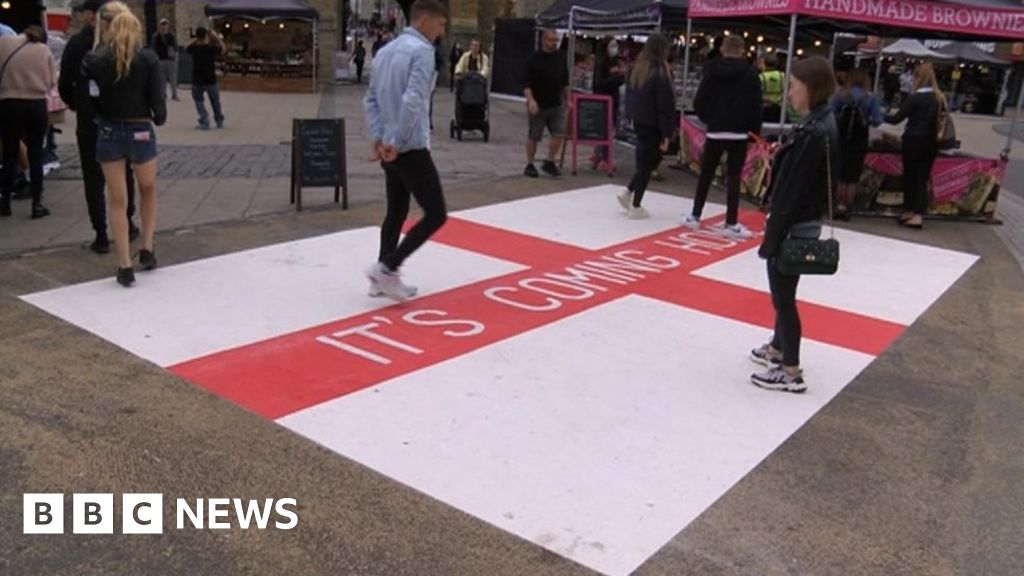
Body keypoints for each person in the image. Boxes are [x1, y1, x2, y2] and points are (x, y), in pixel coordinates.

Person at [751, 56, 839, 393]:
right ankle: (777, 348)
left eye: (793, 88)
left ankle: (790, 370)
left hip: (793, 224)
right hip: (804, 220)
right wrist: (783, 155)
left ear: (811, 88)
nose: (789, 94)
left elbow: (792, 193)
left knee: (783, 298)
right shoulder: (822, 123)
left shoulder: (816, 131)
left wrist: (771, 239)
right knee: (785, 293)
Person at [363, 0, 448, 301]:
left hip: (389, 146)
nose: (441, 32)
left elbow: (370, 99)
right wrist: (396, 143)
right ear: (424, 20)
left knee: (396, 211)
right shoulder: (422, 52)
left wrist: (379, 138)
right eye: (439, 24)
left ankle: (381, 278)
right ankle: (387, 268)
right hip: (407, 146)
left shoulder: (385, 51)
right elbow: (413, 100)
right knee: (436, 214)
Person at [83, 6, 165, 286]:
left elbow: (89, 98)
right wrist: (156, 115)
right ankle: (147, 246)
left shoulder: (94, 59)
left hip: (109, 128)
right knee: (147, 188)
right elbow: (159, 105)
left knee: (117, 199)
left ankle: (124, 264)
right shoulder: (148, 58)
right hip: (140, 127)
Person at [59, 0, 139, 253]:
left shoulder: (76, 45)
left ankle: (101, 234)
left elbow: (64, 84)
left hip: (89, 121)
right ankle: (127, 223)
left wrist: (77, 104)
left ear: (89, 16)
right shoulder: (121, 45)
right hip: (117, 118)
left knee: (93, 179)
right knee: (123, 174)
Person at [684, 35, 762, 239]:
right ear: (742, 50)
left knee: (706, 174)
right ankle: (731, 221)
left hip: (715, 129)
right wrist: (753, 134)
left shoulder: (712, 71)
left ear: (723, 49)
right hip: (739, 133)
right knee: (734, 178)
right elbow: (756, 106)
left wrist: (710, 119)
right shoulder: (751, 74)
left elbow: (699, 101)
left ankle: (695, 215)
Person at [0, 25, 56, 219]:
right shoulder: (44, 50)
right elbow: (51, 82)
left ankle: (5, 202)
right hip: (36, 105)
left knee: (9, 154)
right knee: (35, 155)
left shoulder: (4, 43)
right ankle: (37, 204)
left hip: (8, 104)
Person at [618, 34, 675, 220]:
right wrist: (667, 133)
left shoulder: (639, 69)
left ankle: (628, 192)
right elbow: (665, 105)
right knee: (647, 165)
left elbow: (630, 97)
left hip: (641, 122)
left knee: (646, 162)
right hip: (654, 125)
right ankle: (635, 204)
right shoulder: (660, 73)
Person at [884, 62, 944, 230]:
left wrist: (877, 115)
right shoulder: (939, 97)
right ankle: (917, 213)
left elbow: (896, 119)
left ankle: (911, 212)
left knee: (910, 177)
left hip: (913, 140)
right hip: (931, 142)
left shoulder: (915, 98)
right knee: (922, 178)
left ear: (918, 78)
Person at [830, 67, 883, 219]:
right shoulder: (870, 98)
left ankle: (837, 205)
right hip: (859, 139)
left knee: (840, 173)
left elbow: (832, 114)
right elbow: (878, 121)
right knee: (852, 176)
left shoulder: (840, 96)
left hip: (841, 138)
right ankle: (846, 207)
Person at [523, 29, 570, 178]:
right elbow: (526, 84)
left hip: (556, 103)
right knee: (534, 136)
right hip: (538, 104)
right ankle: (530, 164)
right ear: (544, 40)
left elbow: (565, 81)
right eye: (551, 40)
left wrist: (569, 100)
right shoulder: (533, 59)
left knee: (559, 133)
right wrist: (531, 100)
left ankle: (549, 161)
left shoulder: (561, 58)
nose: (554, 43)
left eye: (556, 40)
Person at [186, 26, 225, 130]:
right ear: (206, 36)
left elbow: (186, 46)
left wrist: (195, 38)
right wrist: (216, 37)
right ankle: (219, 120)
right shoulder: (210, 48)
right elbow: (223, 49)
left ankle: (204, 119)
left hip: (197, 79)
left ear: (197, 36)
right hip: (210, 79)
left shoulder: (194, 48)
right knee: (215, 101)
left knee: (198, 100)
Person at [151, 18, 178, 101]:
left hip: (170, 60)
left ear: (168, 26)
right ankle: (163, 94)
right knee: (162, 79)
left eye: (165, 24)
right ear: (160, 26)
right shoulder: (156, 36)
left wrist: (175, 57)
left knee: (173, 78)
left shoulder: (171, 36)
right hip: (160, 60)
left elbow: (176, 47)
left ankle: (174, 94)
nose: (164, 26)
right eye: (162, 25)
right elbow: (153, 48)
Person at [759, 53, 784, 123]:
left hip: (765, 107)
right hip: (778, 108)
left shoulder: (761, 77)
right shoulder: (782, 76)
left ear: (764, 64)